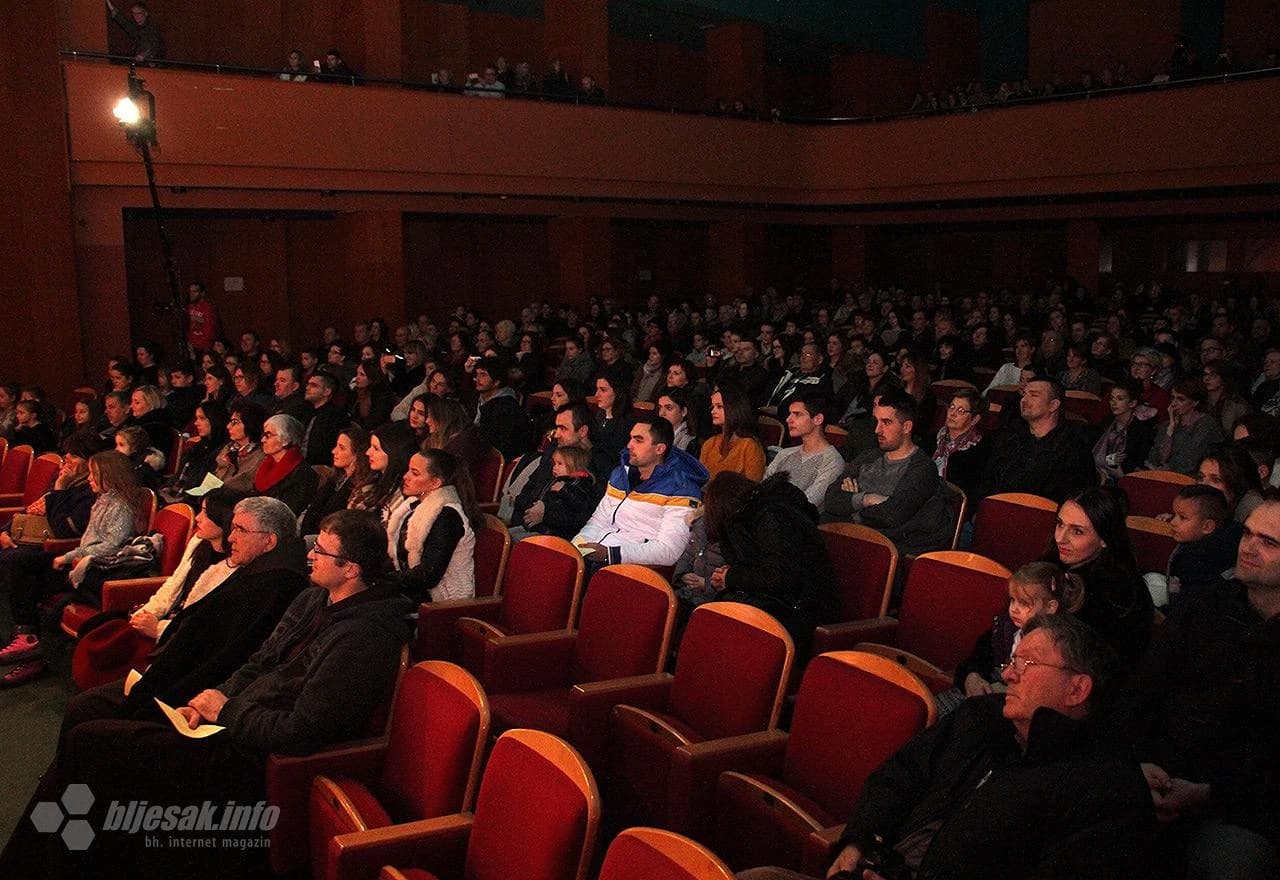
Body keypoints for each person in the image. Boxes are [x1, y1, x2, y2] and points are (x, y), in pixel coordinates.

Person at [19, 508, 408, 876]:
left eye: (322, 550)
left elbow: (301, 730)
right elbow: (258, 663)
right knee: (88, 730)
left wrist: (224, 711)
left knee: (93, 743)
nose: (310, 554)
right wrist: (205, 703)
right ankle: (48, 862)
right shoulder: (315, 597)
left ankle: (47, 865)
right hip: (226, 726)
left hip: (255, 757)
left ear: (351, 569)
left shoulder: (364, 637)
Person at [745, 615, 1154, 880]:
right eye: (1012, 661)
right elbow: (898, 776)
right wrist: (857, 842)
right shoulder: (982, 718)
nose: (1009, 674)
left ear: (1077, 688)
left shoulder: (1106, 787)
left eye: (1027, 665)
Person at [1117, 499, 1280, 880]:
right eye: (1246, 533)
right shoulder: (1205, 603)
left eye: (1268, 542)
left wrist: (1206, 793)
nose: (1248, 547)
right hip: (1158, 767)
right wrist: (1137, 764)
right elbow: (1143, 690)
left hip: (1242, 804)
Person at [0, 450, 149, 685]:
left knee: (24, 572)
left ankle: (30, 647)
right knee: (18, 563)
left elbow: (111, 547)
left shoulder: (121, 506)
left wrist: (68, 557)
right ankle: (28, 640)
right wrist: (70, 557)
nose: (89, 479)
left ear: (108, 477)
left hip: (96, 570)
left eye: (93, 474)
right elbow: (88, 542)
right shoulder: (102, 500)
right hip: (80, 562)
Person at [698, 471, 838, 656]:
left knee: (718, 635)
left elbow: (779, 576)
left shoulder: (772, 517)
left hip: (800, 610)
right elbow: (758, 565)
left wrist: (732, 577)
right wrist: (730, 575)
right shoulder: (749, 517)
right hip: (777, 600)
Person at [823, 389, 954, 558]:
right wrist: (867, 499)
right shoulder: (867, 457)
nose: (877, 430)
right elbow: (831, 498)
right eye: (876, 421)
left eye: (886, 422)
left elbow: (891, 515)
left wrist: (852, 503)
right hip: (847, 539)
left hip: (881, 550)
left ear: (906, 427)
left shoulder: (923, 468)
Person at [576, 415, 708, 567]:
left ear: (659, 449)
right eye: (631, 438)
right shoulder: (620, 474)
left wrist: (611, 555)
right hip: (597, 559)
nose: (629, 445)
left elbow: (669, 551)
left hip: (634, 571)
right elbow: (598, 521)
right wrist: (576, 547)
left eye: (638, 440)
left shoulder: (683, 489)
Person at [952, 561, 1084, 707]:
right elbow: (980, 655)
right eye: (1012, 600)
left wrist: (1003, 691)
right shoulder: (1005, 626)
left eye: (1024, 603)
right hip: (987, 684)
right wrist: (972, 675)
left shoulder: (1056, 646)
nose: (1014, 609)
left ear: (1050, 607)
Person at [1044, 487, 1153, 664]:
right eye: (1060, 524)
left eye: (1077, 531)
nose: (1060, 538)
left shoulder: (1117, 593)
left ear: (1104, 539)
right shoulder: (1050, 565)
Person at [977, 378, 1096, 502]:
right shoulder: (1010, 438)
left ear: (1053, 405)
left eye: (1034, 395)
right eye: (1024, 394)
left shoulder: (1074, 447)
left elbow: (1076, 497)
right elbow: (987, 480)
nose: (1024, 400)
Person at [387, 448, 481, 603]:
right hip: (413, 590)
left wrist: (384, 581)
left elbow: (428, 575)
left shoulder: (448, 516)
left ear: (435, 483)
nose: (405, 477)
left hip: (441, 601)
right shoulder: (414, 506)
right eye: (408, 471)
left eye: (415, 473)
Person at [1162, 484, 1239, 607]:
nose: (1173, 522)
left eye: (1182, 517)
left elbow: (1188, 603)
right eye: (1174, 515)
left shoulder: (1193, 561)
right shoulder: (1230, 539)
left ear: (1207, 527)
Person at [763, 394, 844, 508]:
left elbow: (810, 502)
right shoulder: (784, 454)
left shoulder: (832, 461)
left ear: (818, 419)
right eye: (789, 414)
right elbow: (763, 488)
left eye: (797, 414)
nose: (788, 420)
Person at [1146, 378, 1225, 475]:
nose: (1173, 404)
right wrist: (1170, 430)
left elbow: (1188, 462)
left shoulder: (1206, 424)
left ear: (1195, 402)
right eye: (1172, 398)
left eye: (1180, 399)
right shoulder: (1167, 424)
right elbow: (1154, 458)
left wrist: (1165, 470)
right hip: (1164, 476)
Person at [525, 445, 598, 541]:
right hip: (540, 529)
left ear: (574, 465)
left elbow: (579, 505)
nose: (554, 467)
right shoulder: (556, 480)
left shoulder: (580, 484)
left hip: (555, 535)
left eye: (560, 464)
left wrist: (564, 490)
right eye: (554, 463)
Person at [1093, 379, 1158, 482]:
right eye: (1112, 398)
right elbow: (1093, 452)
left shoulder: (1141, 429)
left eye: (1120, 399)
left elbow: (1135, 460)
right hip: (1099, 474)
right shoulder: (1107, 422)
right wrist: (1108, 460)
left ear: (1132, 403)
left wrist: (1109, 461)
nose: (1113, 403)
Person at [931, 387, 988, 498]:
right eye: (952, 407)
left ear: (974, 419)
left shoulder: (980, 451)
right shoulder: (931, 439)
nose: (952, 413)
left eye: (961, 410)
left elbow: (969, 493)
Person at [700, 385, 765, 481]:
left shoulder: (750, 446)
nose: (712, 411)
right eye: (712, 407)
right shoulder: (709, 443)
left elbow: (753, 486)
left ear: (734, 409)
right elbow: (700, 479)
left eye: (719, 406)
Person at [472, 356, 533, 459]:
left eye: (483, 375)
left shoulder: (506, 407)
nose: (477, 379)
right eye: (477, 374)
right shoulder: (476, 398)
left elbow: (502, 445)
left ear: (496, 382)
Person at [424, 395, 490, 476]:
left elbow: (448, 476)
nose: (427, 421)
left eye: (431, 417)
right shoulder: (451, 440)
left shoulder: (461, 447)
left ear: (444, 419)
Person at [209, 402, 265, 493]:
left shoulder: (260, 455)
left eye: (235, 422)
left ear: (250, 424)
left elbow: (244, 485)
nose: (228, 426)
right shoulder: (228, 447)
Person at [301, 370, 348, 466]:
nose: (307, 388)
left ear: (327, 391)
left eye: (313, 385)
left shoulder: (336, 416)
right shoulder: (307, 412)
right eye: (308, 384)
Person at [590, 368, 633, 464]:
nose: (597, 395)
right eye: (597, 389)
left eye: (603, 390)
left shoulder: (626, 423)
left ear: (617, 393)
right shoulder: (599, 417)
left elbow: (615, 455)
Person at [184, 281, 219, 355]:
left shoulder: (208, 308)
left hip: (203, 347)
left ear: (202, 293)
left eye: (195, 291)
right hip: (191, 345)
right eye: (190, 292)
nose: (192, 294)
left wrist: (205, 347)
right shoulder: (189, 307)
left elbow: (210, 331)